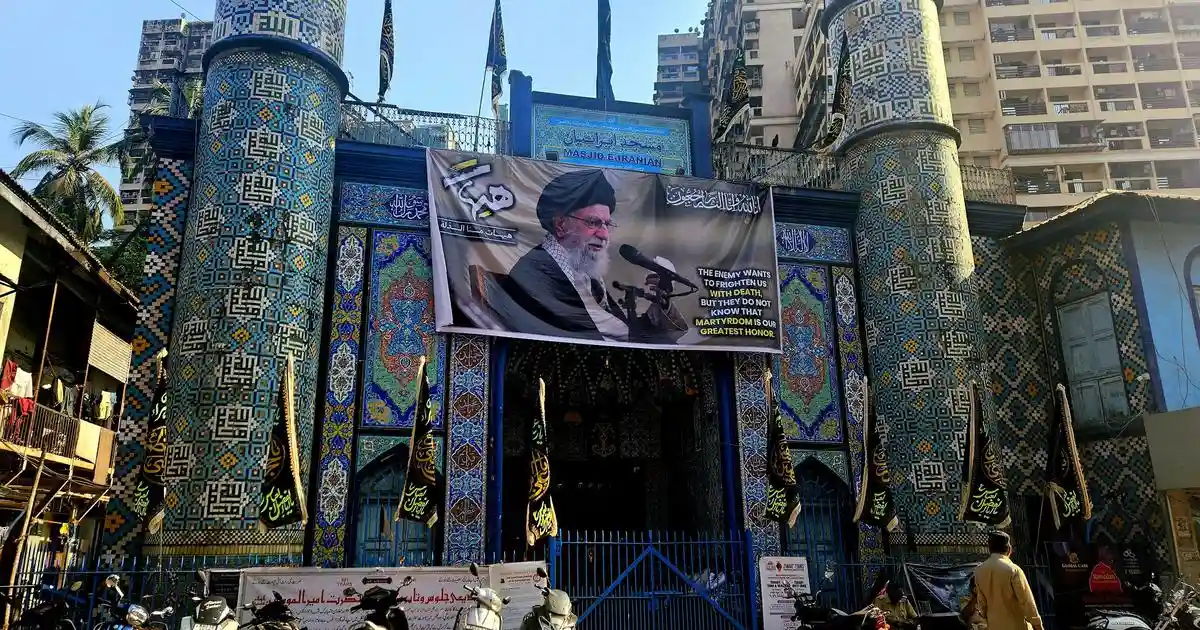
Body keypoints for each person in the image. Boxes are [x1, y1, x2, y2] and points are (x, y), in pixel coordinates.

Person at [498, 168, 686, 343]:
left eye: (607, 224)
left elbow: (628, 334)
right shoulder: (535, 274)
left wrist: (663, 299)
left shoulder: (585, 276)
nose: (604, 235)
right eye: (593, 222)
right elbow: (614, 340)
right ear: (561, 225)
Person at [974, 532, 1042, 630]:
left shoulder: (979, 571)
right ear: (1009, 549)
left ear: (990, 549)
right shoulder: (1013, 570)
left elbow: (982, 604)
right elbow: (1027, 602)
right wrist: (1038, 625)